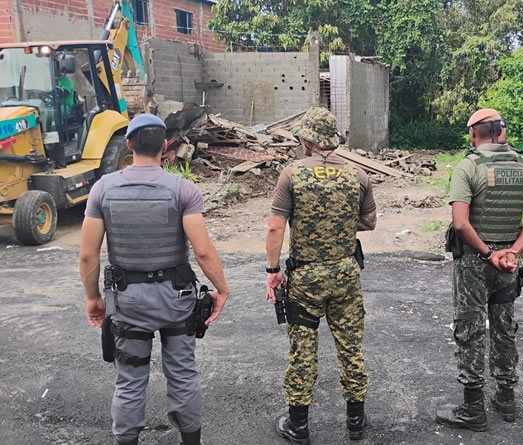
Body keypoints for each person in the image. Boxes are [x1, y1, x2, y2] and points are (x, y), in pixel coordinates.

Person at [79, 114, 230, 445]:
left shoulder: (102, 189)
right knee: (183, 374)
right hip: (176, 298)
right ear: (164, 146)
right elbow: (203, 251)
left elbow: (88, 255)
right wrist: (221, 289)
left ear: (128, 144)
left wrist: (92, 298)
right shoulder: (183, 189)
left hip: (128, 300)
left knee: (130, 380)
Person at [265, 107, 377, 444]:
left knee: (303, 349)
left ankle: (298, 426)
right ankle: (355, 422)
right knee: (350, 348)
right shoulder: (358, 175)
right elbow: (369, 222)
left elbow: (275, 227)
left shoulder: (291, 174)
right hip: (345, 274)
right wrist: (337, 224)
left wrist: (273, 271)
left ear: (307, 140)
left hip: (305, 277)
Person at [436, 108, 523, 431]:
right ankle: (506, 398)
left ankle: (473, 409)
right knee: (503, 326)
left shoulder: (469, 167)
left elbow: (460, 223)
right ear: (502, 131)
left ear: (474, 134)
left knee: (470, 328)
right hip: (507, 262)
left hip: (475, 261)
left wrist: (488, 254)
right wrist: (512, 251)